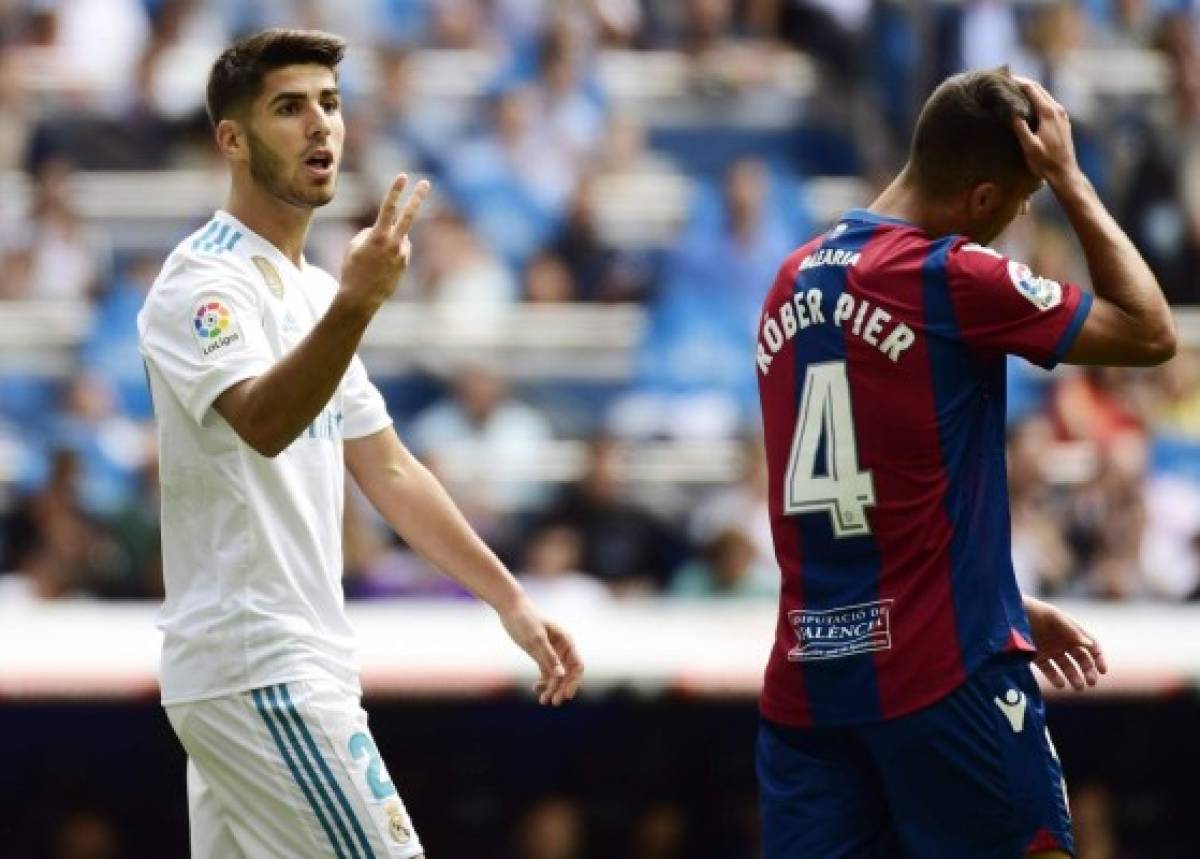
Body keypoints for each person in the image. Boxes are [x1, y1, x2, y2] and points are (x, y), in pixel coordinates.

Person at [137, 30, 583, 859]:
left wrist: (510, 600)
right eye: (289, 107)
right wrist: (358, 305)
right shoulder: (202, 282)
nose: (321, 126)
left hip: (273, 665)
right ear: (231, 138)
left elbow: (387, 465)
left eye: (331, 105)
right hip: (261, 664)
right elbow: (263, 423)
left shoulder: (312, 292)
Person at [753, 68, 1175, 858]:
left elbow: (865, 486)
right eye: (1017, 207)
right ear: (984, 199)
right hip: (943, 681)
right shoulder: (950, 274)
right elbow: (1149, 330)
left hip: (810, 688)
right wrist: (1070, 179)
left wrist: (998, 594)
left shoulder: (788, 280)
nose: (1014, 223)